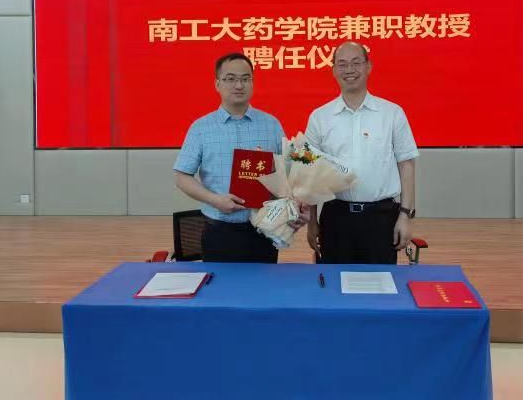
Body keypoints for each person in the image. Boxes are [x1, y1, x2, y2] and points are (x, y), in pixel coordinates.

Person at [174, 52, 307, 263]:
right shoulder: (201, 128)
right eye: (230, 79)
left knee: (263, 283)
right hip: (219, 231)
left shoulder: (271, 125)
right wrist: (215, 200)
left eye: (245, 79)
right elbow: (182, 177)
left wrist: (295, 207)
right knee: (220, 285)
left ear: (252, 83)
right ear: (217, 84)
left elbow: (288, 174)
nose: (238, 85)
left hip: (264, 229)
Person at [305, 42, 419, 264]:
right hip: (336, 217)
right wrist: (311, 221)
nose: (349, 70)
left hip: (381, 218)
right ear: (334, 70)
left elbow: (406, 164)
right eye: (342, 64)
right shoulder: (320, 117)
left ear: (369, 67)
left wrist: (405, 215)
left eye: (356, 63)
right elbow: (310, 173)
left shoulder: (392, 113)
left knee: (380, 282)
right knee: (334, 282)